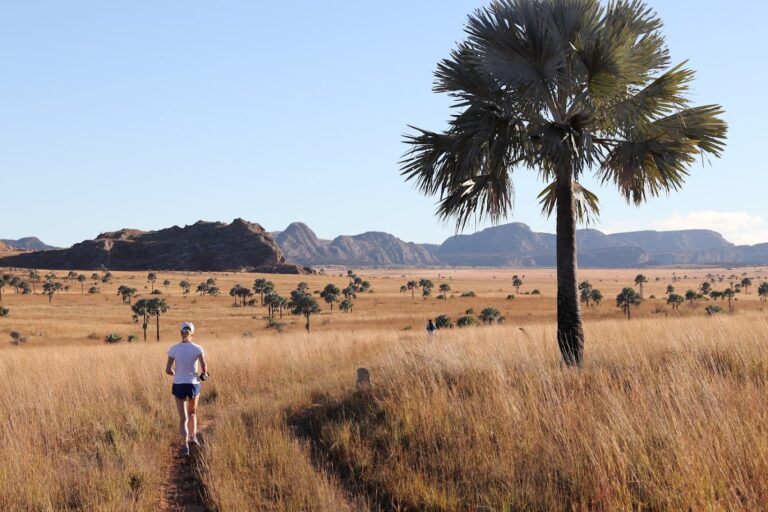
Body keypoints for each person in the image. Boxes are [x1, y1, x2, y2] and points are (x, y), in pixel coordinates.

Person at [165, 321, 207, 457]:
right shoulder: (198, 348)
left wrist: (176, 374)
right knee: (192, 413)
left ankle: (185, 447)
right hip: (193, 383)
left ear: (180, 333)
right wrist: (203, 375)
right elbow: (204, 368)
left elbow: (168, 370)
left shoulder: (174, 349)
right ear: (192, 333)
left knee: (182, 417)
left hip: (179, 384)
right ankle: (193, 437)